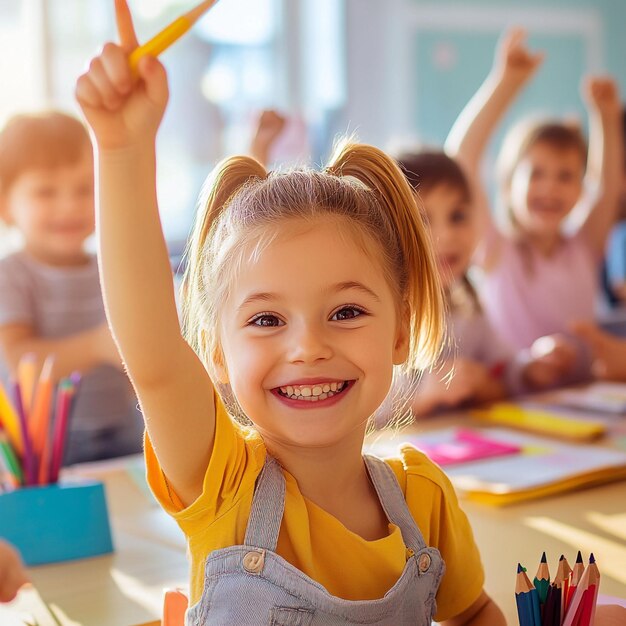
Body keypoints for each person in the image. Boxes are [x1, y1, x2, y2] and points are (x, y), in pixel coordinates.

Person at [74, 2, 507, 623]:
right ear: (216, 351)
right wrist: (121, 150)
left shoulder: (424, 497)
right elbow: (155, 359)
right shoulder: (224, 482)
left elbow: (472, 613)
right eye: (267, 320)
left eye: (347, 311)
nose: (307, 347)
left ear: (403, 330)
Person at [445, 28, 623, 381]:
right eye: (536, 173)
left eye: (565, 176)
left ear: (580, 188)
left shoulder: (584, 246)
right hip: (509, 404)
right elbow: (462, 159)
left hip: (581, 402)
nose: (550, 188)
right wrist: (506, 83)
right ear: (509, 185)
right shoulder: (496, 249)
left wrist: (606, 116)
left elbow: (607, 186)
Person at [0, 111, 143, 464]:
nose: (70, 206)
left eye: (85, 188)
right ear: (5, 205)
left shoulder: (114, 267)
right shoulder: (11, 275)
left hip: (125, 429)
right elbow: (19, 362)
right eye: (46, 192)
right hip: (42, 452)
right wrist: (98, 345)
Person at [396, 151, 577, 416]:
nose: (446, 235)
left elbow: (504, 367)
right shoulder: (382, 315)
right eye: (422, 220)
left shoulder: (468, 308)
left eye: (458, 217)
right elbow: (363, 417)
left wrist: (531, 368)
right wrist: (422, 398)